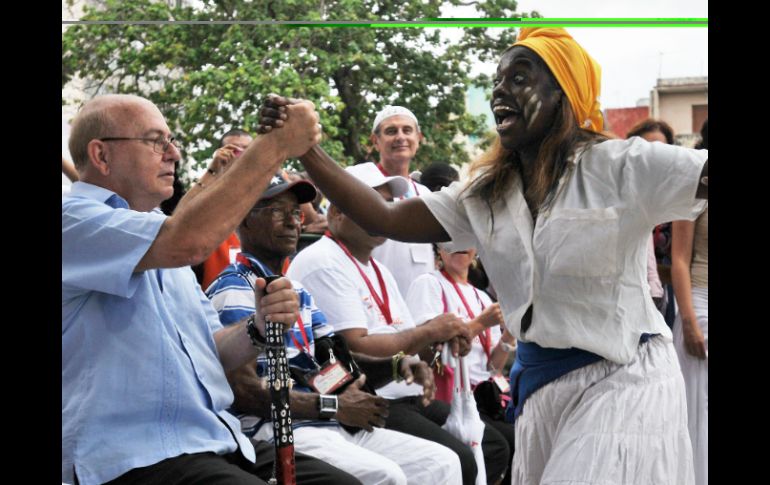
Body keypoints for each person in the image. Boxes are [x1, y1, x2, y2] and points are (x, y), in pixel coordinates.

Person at [259, 26, 708, 485]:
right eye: (497, 80)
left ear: (563, 93)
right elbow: (381, 217)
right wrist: (306, 149)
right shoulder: (486, 194)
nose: (499, 91)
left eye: (519, 77)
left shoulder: (622, 165)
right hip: (543, 389)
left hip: (625, 380)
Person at [62, 94, 363, 485]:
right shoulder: (74, 221)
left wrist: (258, 325)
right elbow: (190, 240)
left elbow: (214, 349)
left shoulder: (157, 233)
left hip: (218, 440)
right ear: (101, 155)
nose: (174, 154)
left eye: (172, 140)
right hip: (135, 457)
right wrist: (274, 146)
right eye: (156, 141)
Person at [206, 175, 463, 485]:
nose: (292, 222)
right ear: (244, 219)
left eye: (296, 213)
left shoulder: (298, 290)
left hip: (326, 425)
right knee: (386, 475)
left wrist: (396, 365)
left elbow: (332, 367)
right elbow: (245, 393)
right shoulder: (233, 286)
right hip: (275, 431)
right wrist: (333, 406)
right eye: (277, 210)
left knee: (441, 463)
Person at [288, 163, 511, 485]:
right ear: (336, 212)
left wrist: (443, 339)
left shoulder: (377, 268)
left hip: (401, 394)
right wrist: (430, 332)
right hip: (369, 399)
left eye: (386, 205)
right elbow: (355, 347)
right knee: (462, 458)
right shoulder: (323, 261)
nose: (380, 213)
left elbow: (408, 340)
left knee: (492, 445)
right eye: (370, 205)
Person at [406, 246, 517, 484]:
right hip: (449, 396)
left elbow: (492, 368)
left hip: (482, 398)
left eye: (464, 240)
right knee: (497, 447)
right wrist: (480, 322)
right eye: (449, 240)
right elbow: (428, 348)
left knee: (519, 441)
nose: (458, 246)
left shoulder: (482, 297)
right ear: (438, 249)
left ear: (475, 249)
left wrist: (508, 335)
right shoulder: (429, 284)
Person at [671, 118, 708, 485]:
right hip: (701, 307)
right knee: (699, 416)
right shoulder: (694, 185)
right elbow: (679, 258)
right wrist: (689, 322)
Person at [368, 106, 436, 296]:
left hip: (421, 304)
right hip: (377, 298)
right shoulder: (364, 185)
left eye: (407, 130)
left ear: (418, 139)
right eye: (391, 131)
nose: (400, 137)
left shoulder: (425, 194)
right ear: (376, 141)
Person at [627, 118, 677, 320]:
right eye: (648, 150)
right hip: (634, 289)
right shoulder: (625, 193)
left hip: (672, 290)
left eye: (662, 150)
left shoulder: (678, 195)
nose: (656, 156)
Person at [195, 128, 254, 289]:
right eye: (233, 150)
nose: (240, 154)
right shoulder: (207, 192)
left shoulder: (269, 188)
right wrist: (214, 169)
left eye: (247, 150)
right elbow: (184, 215)